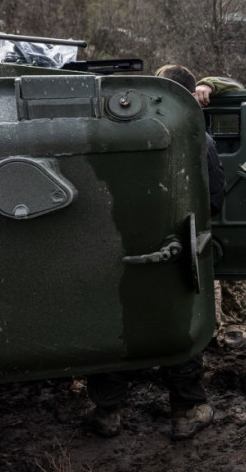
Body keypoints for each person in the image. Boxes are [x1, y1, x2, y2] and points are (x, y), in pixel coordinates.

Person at [83, 65, 220, 440]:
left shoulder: (111, 133)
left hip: (119, 249)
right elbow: (213, 200)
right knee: (178, 326)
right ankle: (186, 410)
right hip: (172, 250)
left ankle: (108, 411)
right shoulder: (199, 139)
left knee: (117, 325)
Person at [195, 76, 246, 349]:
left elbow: (238, 91)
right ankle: (204, 324)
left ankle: (233, 324)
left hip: (224, 188)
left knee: (232, 254)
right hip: (192, 194)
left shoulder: (203, 96)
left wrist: (208, 85)